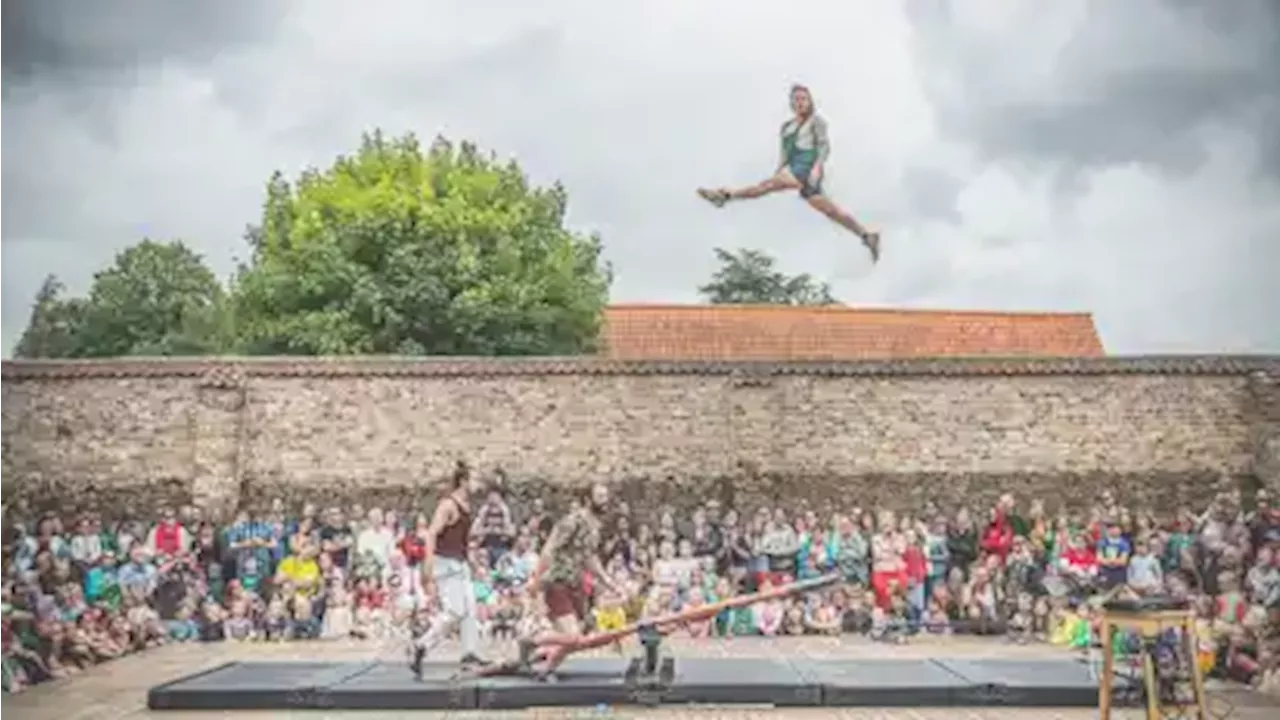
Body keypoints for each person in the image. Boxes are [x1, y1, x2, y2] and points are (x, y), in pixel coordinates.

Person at [697, 84, 881, 263]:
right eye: (797, 99)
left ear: (810, 102)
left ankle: (724, 195)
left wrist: (817, 168)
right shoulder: (786, 127)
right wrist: (779, 170)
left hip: (807, 165)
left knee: (765, 187)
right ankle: (867, 235)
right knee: (830, 211)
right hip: (793, 166)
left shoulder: (817, 122)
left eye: (804, 99)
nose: (800, 102)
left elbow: (824, 147)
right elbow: (784, 153)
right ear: (792, 104)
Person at [525, 482, 628, 681]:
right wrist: (536, 581)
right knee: (573, 637)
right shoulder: (572, 521)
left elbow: (589, 557)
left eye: (606, 496)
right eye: (600, 496)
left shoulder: (595, 526)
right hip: (557, 581)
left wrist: (608, 582)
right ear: (588, 500)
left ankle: (545, 666)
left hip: (575, 584)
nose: (605, 501)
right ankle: (531, 643)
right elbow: (549, 549)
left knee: (574, 638)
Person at [410, 461, 488, 677]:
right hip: (446, 563)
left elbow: (464, 540)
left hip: (460, 562)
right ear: (463, 481)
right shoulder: (448, 505)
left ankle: (469, 653)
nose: (478, 484)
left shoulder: (467, 506)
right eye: (475, 479)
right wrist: (428, 566)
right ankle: (421, 645)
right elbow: (431, 534)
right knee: (455, 612)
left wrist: (474, 565)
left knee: (470, 610)